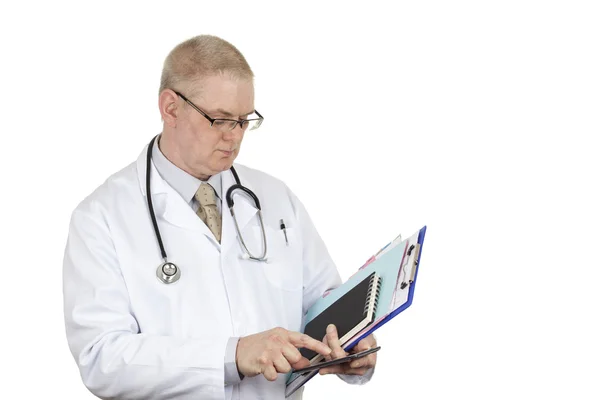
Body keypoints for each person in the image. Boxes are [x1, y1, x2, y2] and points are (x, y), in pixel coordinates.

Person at [62, 34, 377, 400]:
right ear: (170, 107)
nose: (235, 137)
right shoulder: (101, 217)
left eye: (244, 120)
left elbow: (321, 300)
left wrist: (349, 342)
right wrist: (233, 354)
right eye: (221, 120)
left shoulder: (275, 199)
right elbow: (102, 359)